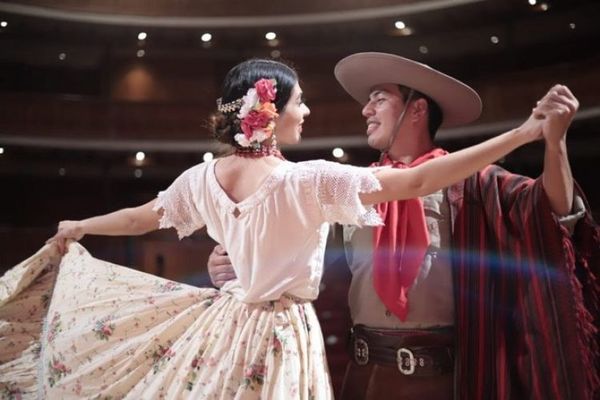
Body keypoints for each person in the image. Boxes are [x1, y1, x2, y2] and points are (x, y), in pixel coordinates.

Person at [0, 57, 546, 399]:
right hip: (282, 331)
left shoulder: (202, 177)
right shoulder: (305, 181)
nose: (306, 111)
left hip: (223, 327)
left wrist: (81, 224)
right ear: (272, 108)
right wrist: (519, 135)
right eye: (300, 101)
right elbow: (413, 182)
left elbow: (143, 218)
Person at [207, 53, 600, 399]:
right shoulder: (350, 187)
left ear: (417, 109)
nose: (365, 110)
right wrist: (232, 263)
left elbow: (554, 216)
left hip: (444, 380)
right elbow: (281, 251)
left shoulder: (475, 182)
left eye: (379, 98)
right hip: (360, 376)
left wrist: (555, 143)